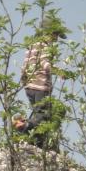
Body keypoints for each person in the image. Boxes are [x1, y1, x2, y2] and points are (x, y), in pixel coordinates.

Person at [13, 15, 68, 149]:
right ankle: (23, 126)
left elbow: (25, 65)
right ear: (50, 32)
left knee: (38, 112)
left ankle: (36, 141)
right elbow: (45, 63)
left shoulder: (32, 45)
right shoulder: (45, 46)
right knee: (44, 114)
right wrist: (59, 72)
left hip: (29, 87)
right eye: (56, 35)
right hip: (40, 86)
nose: (56, 39)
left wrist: (24, 80)